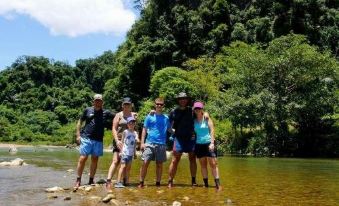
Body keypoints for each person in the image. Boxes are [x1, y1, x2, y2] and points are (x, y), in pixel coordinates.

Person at [75, 94, 109, 188]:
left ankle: (91, 180)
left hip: (98, 139)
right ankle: (78, 180)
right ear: (93, 102)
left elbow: (119, 115)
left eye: (99, 100)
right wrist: (78, 135)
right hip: (86, 137)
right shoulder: (87, 110)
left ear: (102, 102)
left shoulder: (106, 112)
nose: (98, 102)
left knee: (95, 159)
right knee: (83, 158)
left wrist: (132, 113)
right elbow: (80, 121)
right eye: (96, 100)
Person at [139, 97, 173, 188]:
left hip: (161, 144)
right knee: (145, 162)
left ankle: (158, 183)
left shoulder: (166, 118)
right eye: (157, 104)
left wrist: (179, 132)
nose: (159, 106)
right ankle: (141, 182)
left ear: (163, 106)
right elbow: (144, 129)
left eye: (161, 104)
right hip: (149, 143)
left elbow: (170, 129)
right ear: (155, 105)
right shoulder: (149, 116)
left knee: (159, 164)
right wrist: (142, 143)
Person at [106, 97, 137, 190]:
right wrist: (117, 140)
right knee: (116, 161)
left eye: (128, 104)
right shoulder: (118, 115)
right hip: (119, 140)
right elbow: (113, 128)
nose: (126, 106)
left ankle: (124, 181)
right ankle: (108, 180)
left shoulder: (134, 115)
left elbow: (135, 128)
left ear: (131, 105)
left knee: (126, 163)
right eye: (125, 104)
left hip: (129, 143)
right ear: (122, 105)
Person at [168, 92, 197, 188]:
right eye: (181, 99)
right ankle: (170, 181)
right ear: (178, 101)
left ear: (187, 100)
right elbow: (168, 124)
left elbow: (200, 116)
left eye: (184, 98)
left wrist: (205, 114)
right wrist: (172, 132)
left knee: (192, 158)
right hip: (179, 138)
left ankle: (193, 181)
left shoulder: (192, 111)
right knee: (175, 160)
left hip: (191, 138)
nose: (183, 100)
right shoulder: (173, 112)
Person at [193, 101, 221, 190]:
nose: (197, 110)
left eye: (199, 108)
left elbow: (212, 130)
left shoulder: (207, 118)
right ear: (194, 110)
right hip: (199, 144)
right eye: (196, 108)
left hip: (209, 143)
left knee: (213, 164)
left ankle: (218, 184)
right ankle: (206, 184)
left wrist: (212, 143)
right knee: (203, 165)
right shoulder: (193, 120)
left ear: (202, 109)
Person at [115, 116, 139, 188]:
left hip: (130, 154)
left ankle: (127, 182)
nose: (132, 124)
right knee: (123, 166)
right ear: (127, 124)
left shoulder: (135, 133)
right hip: (124, 152)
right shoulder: (125, 132)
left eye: (133, 123)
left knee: (128, 168)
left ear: (134, 124)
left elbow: (135, 143)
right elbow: (122, 142)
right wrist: (120, 151)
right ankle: (118, 182)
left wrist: (134, 153)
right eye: (130, 123)